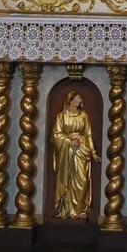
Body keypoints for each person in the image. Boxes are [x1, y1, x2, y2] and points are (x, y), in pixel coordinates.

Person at [51, 91, 100, 220]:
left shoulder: (84, 116)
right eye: (77, 97)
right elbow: (56, 135)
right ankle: (65, 208)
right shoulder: (61, 117)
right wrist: (69, 141)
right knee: (67, 180)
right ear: (71, 100)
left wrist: (93, 152)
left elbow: (88, 134)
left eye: (80, 97)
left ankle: (79, 209)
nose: (80, 99)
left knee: (82, 180)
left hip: (81, 150)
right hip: (66, 153)